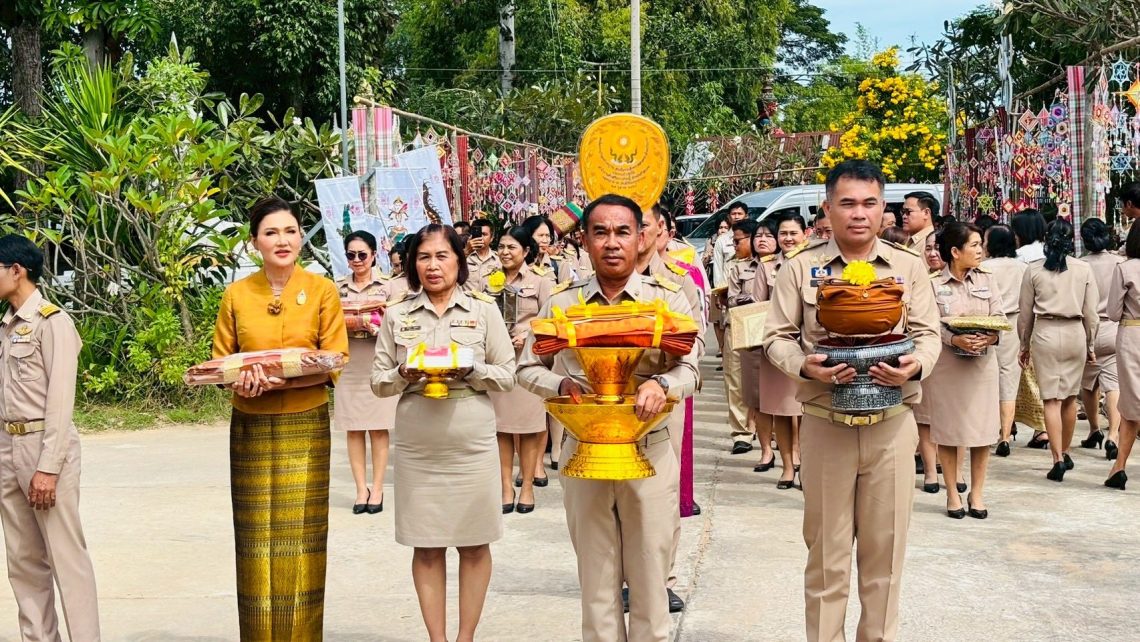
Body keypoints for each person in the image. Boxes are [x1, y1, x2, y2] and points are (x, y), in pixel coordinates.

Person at [763, 160, 940, 642]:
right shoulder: (801, 267)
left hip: (891, 424)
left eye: (869, 203)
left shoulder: (908, 267)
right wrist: (803, 364)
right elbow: (776, 335)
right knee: (826, 559)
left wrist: (916, 364)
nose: (858, 214)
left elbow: (928, 334)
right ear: (828, 208)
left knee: (884, 559)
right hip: (825, 424)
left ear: (884, 209)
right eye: (847, 203)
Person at [517, 194, 700, 642]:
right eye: (600, 232)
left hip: (649, 450)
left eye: (623, 232)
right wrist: (560, 386)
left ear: (642, 238)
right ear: (585, 240)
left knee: (651, 581)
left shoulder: (667, 300)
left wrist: (662, 385)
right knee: (596, 583)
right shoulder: (562, 304)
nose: (612, 243)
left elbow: (691, 368)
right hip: (584, 451)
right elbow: (525, 368)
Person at [211, 195, 350, 639]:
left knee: (302, 538)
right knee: (254, 539)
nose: (282, 240)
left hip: (305, 422)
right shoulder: (236, 293)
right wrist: (239, 380)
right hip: (249, 423)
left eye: (290, 231)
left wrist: (284, 380)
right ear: (255, 242)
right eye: (271, 232)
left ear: (300, 238)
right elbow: (221, 362)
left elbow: (336, 356)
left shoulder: (322, 290)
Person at [371, 224, 516, 642]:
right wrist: (403, 372)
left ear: (459, 261)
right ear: (413, 264)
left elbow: (507, 375)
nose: (433, 266)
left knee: (474, 544)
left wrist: (473, 371)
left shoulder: (483, 310)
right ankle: (437, 639)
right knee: (427, 546)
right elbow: (378, 382)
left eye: (442, 256)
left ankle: (465, 637)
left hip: (471, 443)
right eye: (424, 257)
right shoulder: (397, 313)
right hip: (419, 445)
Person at [0, 235, 101, 642]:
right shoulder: (7, 325)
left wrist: (48, 468)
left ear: (15, 271)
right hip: (9, 448)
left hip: (45, 450)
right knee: (23, 561)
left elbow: (60, 403)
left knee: (66, 558)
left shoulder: (52, 322)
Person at [926, 222, 1003, 519]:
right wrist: (954, 338)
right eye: (973, 245)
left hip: (982, 364)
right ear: (955, 252)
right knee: (948, 430)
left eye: (979, 244)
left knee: (982, 431)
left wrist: (992, 336)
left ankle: (978, 493)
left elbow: (998, 314)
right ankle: (952, 493)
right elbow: (930, 325)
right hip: (948, 366)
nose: (979, 249)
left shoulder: (988, 280)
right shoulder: (934, 285)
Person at [1018, 219, 1099, 482]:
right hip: (1075, 331)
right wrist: (1090, 344)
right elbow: (1091, 314)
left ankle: (1057, 459)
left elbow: (1025, 313)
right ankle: (1065, 449)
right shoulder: (1083, 269)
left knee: (1050, 399)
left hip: (1046, 332)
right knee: (1070, 399)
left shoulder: (1034, 270)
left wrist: (1023, 344)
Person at [486, 227, 553, 514]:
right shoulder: (488, 280)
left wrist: (529, 332)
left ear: (526, 251)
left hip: (528, 364)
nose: (504, 252)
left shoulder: (541, 282)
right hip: (497, 362)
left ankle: (526, 486)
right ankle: (504, 486)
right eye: (501, 246)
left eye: (511, 247)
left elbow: (551, 321)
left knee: (528, 428)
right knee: (500, 428)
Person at [336, 231, 401, 514]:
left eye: (363, 254)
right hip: (349, 361)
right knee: (352, 427)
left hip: (378, 358)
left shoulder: (389, 287)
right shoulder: (336, 288)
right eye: (351, 255)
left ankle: (377, 487)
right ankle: (359, 488)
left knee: (378, 427)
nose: (357, 260)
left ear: (374, 255)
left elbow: (401, 322)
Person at [744, 214, 803, 487]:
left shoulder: (814, 264)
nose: (788, 238)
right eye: (783, 233)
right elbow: (757, 308)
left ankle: (806, 461)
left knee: (807, 410)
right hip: (778, 347)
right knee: (780, 409)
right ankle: (788, 466)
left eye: (793, 232)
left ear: (805, 233)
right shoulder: (767, 268)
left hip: (809, 348)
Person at [1078, 219, 1124, 460]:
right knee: (1113, 384)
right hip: (1115, 328)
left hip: (1087, 330)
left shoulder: (1079, 265)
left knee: (1088, 384)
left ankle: (1094, 429)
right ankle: (1113, 435)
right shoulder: (1120, 263)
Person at [982, 225, 1030, 456]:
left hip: (988, 326)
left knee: (985, 379)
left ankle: (990, 431)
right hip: (1015, 325)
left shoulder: (984, 267)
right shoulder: (1023, 267)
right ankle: (1005, 435)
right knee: (1009, 381)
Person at [1105, 222, 1140, 489]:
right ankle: (1118, 466)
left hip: (1132, 336)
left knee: (1131, 404)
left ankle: (1119, 466)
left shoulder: (1125, 268)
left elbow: (1114, 312)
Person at [913, 231, 946, 492]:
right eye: (929, 249)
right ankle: (931, 471)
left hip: (956, 359)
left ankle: (954, 472)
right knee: (925, 418)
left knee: (952, 418)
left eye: (938, 248)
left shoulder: (973, 280)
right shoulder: (919, 280)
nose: (933, 254)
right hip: (927, 357)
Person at [724, 219, 760, 455]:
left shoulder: (781, 263)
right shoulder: (735, 266)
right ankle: (742, 433)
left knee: (767, 383)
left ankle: (771, 429)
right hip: (739, 323)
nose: (735, 245)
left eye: (738, 241)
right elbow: (732, 298)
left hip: (769, 328)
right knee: (735, 380)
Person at [521, 214, 577, 286]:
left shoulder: (559, 264)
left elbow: (566, 295)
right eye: (541, 235)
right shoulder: (518, 264)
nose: (545, 240)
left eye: (547, 236)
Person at [465, 217, 501, 290]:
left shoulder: (499, 259)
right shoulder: (463, 257)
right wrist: (466, 252)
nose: (480, 238)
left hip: (491, 300)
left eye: (484, 234)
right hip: (468, 301)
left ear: (491, 238)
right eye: (478, 234)